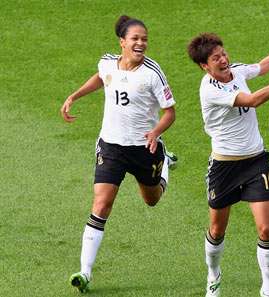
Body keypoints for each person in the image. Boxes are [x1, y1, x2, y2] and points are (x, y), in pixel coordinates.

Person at [187, 33, 269, 297]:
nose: (223, 60)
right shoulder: (209, 89)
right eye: (215, 58)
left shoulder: (238, 72)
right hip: (224, 167)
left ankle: (268, 288)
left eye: (223, 53)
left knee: (266, 229)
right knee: (217, 230)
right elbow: (254, 100)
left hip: (256, 162)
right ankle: (214, 274)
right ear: (204, 66)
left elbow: (263, 66)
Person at [60, 15, 177, 293]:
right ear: (122, 42)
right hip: (111, 147)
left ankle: (166, 163)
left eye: (144, 39)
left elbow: (170, 112)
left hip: (143, 149)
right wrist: (74, 96)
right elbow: (102, 78)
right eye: (135, 39)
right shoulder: (107, 62)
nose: (141, 43)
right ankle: (85, 272)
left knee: (152, 199)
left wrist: (155, 133)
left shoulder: (152, 73)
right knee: (101, 205)